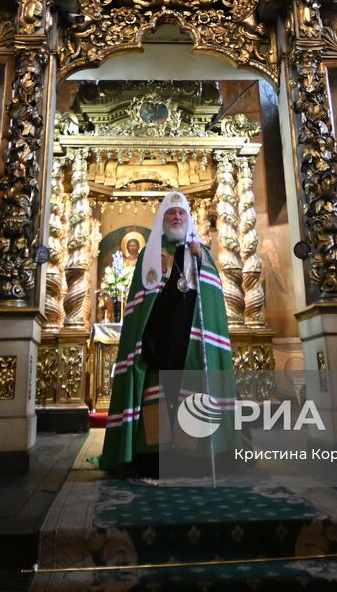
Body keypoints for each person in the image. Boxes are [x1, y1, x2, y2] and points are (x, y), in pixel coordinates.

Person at [100, 191, 236, 474]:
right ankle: (154, 459)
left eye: (181, 214)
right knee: (157, 398)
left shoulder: (201, 252)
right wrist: (144, 339)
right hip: (157, 341)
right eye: (171, 214)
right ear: (163, 219)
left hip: (191, 341)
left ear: (188, 219)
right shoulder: (151, 253)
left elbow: (211, 299)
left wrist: (199, 260)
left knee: (190, 397)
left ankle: (190, 459)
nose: (176, 218)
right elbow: (139, 302)